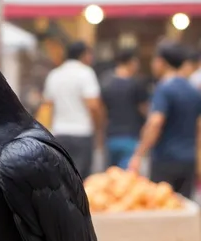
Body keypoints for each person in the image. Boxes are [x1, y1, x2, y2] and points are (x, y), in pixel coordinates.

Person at [129, 41, 201, 198]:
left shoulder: (164, 88)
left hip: (165, 159)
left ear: (162, 62)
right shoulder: (193, 90)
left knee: (162, 208)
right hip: (188, 160)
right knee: (183, 209)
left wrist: (139, 154)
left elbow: (155, 122)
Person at [42, 41, 102, 179]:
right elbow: (93, 105)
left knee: (61, 179)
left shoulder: (54, 74)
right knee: (81, 180)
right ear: (83, 55)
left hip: (58, 133)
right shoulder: (86, 73)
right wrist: (99, 128)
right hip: (82, 133)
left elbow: (47, 105)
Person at [100, 48, 148, 169]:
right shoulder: (136, 83)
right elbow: (144, 109)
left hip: (110, 136)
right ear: (131, 62)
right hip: (130, 137)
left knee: (111, 177)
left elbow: (101, 109)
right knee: (126, 181)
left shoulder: (106, 81)